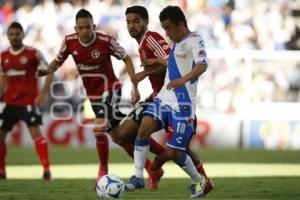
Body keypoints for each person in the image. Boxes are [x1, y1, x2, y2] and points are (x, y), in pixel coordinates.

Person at [108, 6, 212, 192]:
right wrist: (154, 64)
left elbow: (203, 65)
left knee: (176, 152)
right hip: (163, 98)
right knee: (143, 129)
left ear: (180, 24)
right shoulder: (176, 42)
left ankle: (200, 180)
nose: (167, 34)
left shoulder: (194, 40)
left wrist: (182, 79)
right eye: (164, 28)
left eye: (168, 28)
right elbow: (171, 61)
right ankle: (139, 176)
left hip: (182, 103)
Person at [37, 9, 140, 182]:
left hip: (111, 88)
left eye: (87, 27)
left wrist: (134, 86)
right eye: (81, 28)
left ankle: (102, 172)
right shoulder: (69, 42)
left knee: (99, 129)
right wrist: (47, 70)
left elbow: (127, 58)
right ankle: (152, 167)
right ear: (75, 28)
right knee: (118, 136)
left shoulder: (105, 41)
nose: (84, 31)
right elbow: (58, 61)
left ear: (93, 26)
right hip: (93, 95)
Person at [0, 22, 53, 180]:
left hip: (29, 101)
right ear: (8, 36)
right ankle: (1, 172)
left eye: (17, 34)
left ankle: (46, 170)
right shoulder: (3, 56)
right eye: (12, 34)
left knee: (35, 133)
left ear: (23, 35)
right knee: (1, 136)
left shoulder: (33, 53)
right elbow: (3, 80)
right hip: (10, 102)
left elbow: (50, 70)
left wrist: (43, 93)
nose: (15, 37)